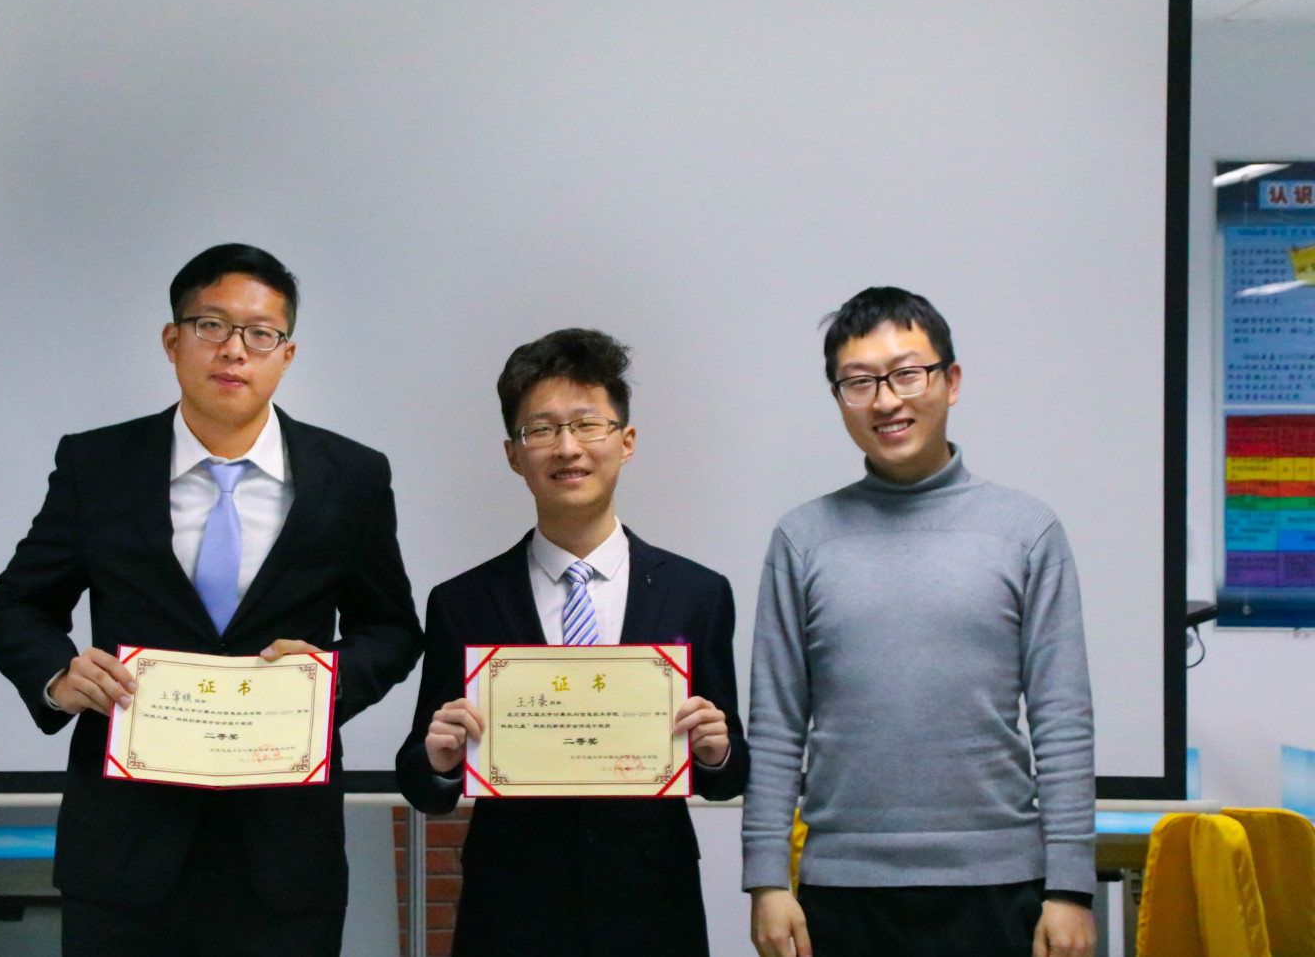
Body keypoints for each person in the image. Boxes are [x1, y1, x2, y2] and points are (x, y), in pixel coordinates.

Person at [0, 243, 423, 957]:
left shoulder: (352, 476)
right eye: (211, 325)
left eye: (260, 334)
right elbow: (15, 605)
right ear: (172, 340)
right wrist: (58, 675)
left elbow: (393, 628)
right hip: (125, 849)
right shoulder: (98, 465)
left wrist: (329, 680)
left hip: (284, 852)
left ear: (286, 354)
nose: (234, 350)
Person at [745, 287, 1096, 957]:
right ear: (839, 398)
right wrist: (766, 879)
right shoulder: (802, 539)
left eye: (907, 374)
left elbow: (1062, 718)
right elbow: (776, 723)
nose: (885, 400)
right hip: (842, 887)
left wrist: (1071, 888)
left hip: (999, 882)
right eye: (859, 382)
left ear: (951, 381)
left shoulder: (1028, 531)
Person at [396, 328, 750, 957]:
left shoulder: (697, 594)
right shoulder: (463, 602)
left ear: (626, 441)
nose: (567, 447)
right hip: (511, 911)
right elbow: (421, 781)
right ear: (514, 454)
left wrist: (717, 753)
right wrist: (440, 760)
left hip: (651, 908)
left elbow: (727, 776)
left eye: (588, 424)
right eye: (541, 429)